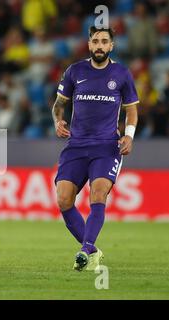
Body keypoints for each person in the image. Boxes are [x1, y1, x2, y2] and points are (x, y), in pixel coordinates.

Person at [52, 26, 139, 271]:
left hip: (107, 146)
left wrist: (129, 136)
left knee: (98, 194)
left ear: (111, 45)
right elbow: (58, 105)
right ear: (89, 44)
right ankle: (92, 250)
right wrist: (57, 121)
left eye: (104, 42)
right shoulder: (74, 71)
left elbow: (131, 109)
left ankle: (84, 249)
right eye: (95, 41)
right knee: (63, 200)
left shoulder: (121, 73)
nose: (99, 46)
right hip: (77, 145)